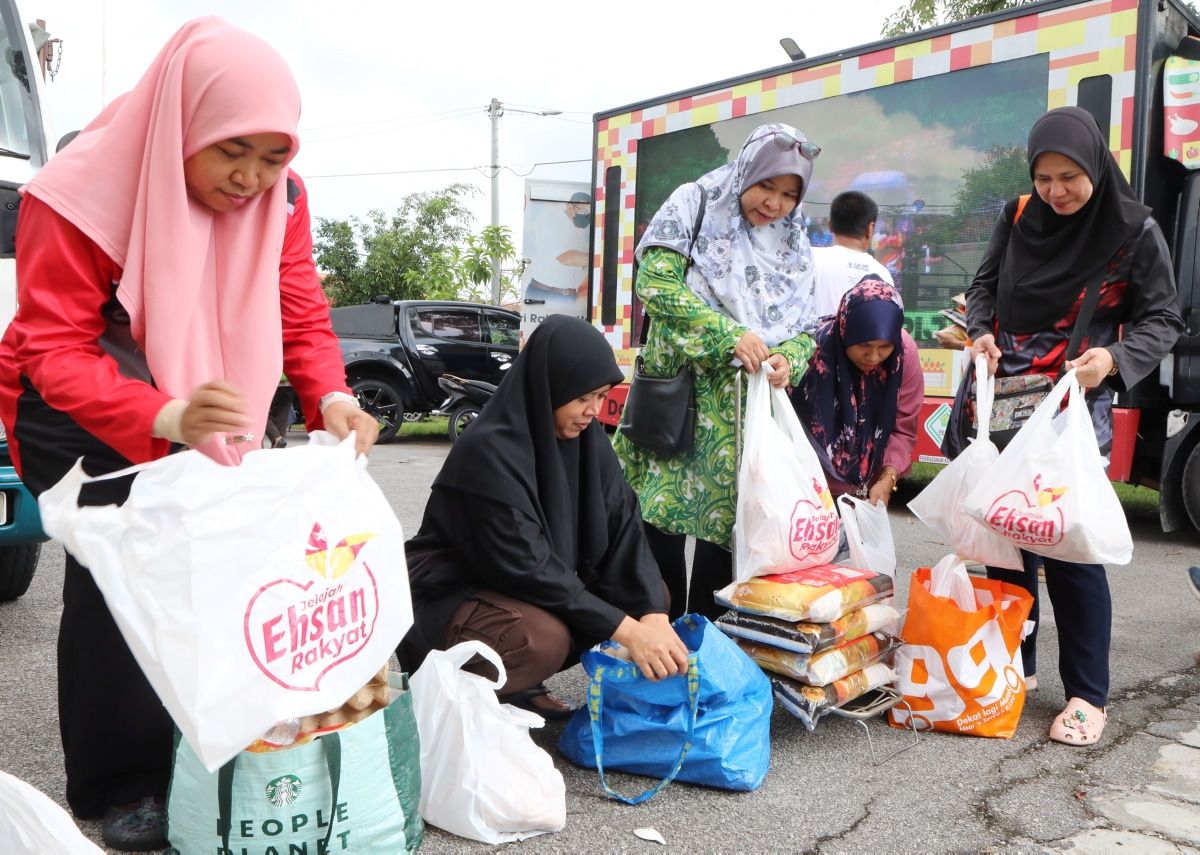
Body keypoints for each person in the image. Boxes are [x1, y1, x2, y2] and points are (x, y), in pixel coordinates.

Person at [0, 18, 379, 850]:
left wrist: (331, 397)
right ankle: (118, 779)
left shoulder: (283, 196)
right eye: (230, 151)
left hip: (203, 397)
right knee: (119, 583)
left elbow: (300, 307)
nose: (251, 177)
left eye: (273, 156)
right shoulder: (76, 193)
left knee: (213, 564)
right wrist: (160, 415)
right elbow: (51, 347)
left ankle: (201, 738)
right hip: (77, 401)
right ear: (183, 127)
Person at [966, 106, 1184, 747]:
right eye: (1044, 177)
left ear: (1094, 167)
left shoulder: (1134, 230)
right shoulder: (1016, 216)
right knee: (1007, 540)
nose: (1055, 191)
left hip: (1071, 403)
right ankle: (1017, 666)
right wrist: (981, 330)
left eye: (1069, 176)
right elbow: (983, 284)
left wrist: (1114, 360)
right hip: (1006, 400)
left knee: (1068, 546)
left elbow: (1163, 318)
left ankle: (1089, 693)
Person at [398, 314, 687, 717]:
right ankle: (457, 693)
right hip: (453, 597)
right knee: (541, 639)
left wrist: (652, 616)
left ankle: (518, 684)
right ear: (551, 385)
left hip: (519, 592)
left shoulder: (588, 444)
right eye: (583, 397)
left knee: (647, 595)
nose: (593, 411)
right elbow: (526, 566)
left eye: (602, 397)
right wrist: (628, 632)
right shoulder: (489, 451)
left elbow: (624, 524)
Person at [614, 123, 820, 620]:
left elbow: (809, 326)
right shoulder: (696, 201)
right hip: (678, 401)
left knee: (731, 537)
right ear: (747, 169)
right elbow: (655, 282)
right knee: (656, 528)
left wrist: (787, 357)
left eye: (789, 194)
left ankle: (706, 653)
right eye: (767, 185)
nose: (775, 204)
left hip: (744, 415)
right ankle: (656, 642)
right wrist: (729, 336)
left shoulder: (793, 239)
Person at [791, 276, 922, 506]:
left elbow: (903, 427)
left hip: (866, 492)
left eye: (884, 347)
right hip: (806, 490)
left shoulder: (904, 353)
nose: (873, 357)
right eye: (863, 346)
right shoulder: (813, 351)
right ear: (844, 331)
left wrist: (887, 478)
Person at [810, 191, 894, 318]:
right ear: (871, 228)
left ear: (830, 224)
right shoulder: (882, 274)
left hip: (813, 337)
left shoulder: (809, 259)